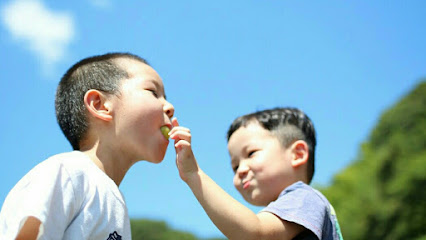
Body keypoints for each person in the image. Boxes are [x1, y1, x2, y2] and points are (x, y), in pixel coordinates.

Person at [0, 52, 175, 239]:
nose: (170, 107)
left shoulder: (115, 201)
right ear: (100, 105)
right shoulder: (67, 172)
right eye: (153, 92)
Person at [170, 107, 344, 240]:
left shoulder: (304, 199)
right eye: (235, 167)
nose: (241, 170)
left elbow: (254, 233)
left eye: (251, 153)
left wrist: (194, 174)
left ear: (297, 154)